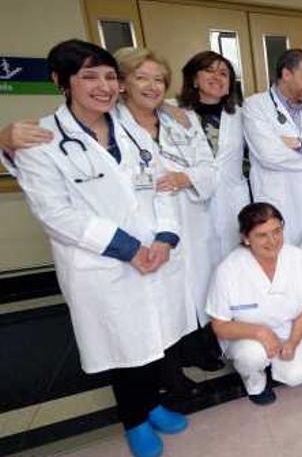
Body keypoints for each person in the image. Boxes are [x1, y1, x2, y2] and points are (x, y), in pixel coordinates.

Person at [12, 39, 188, 457]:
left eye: (110, 76)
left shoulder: (130, 129)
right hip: (102, 263)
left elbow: (161, 185)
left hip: (152, 254)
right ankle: (135, 420)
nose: (103, 86)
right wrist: (129, 248)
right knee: (122, 344)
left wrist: (164, 240)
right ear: (61, 81)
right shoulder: (43, 139)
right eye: (89, 76)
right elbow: (56, 214)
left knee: (152, 337)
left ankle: (152, 403)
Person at [114, 47, 217, 394]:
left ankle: (195, 352)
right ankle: (167, 374)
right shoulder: (109, 124)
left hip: (190, 215)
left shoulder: (180, 120)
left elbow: (208, 168)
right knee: (159, 299)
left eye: (159, 79)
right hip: (145, 226)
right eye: (141, 77)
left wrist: (184, 178)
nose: (152, 86)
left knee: (193, 290)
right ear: (123, 83)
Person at [206, 203, 302, 406]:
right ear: (246, 238)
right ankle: (255, 382)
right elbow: (220, 326)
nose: (273, 241)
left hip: (289, 331)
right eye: (262, 235)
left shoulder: (297, 258)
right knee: (251, 357)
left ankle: (278, 364)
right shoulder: (228, 270)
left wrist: (292, 341)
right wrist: (261, 333)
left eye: (277, 231)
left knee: (297, 377)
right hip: (248, 338)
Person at [242, 48, 302, 244]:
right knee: (284, 260)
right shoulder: (256, 106)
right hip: (281, 199)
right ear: (287, 74)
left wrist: (298, 144)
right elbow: (269, 154)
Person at [177, 50, 251, 261]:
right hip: (193, 197)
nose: (217, 77)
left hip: (232, 198)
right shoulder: (173, 112)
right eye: (209, 71)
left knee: (235, 261)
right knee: (198, 262)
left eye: (223, 73)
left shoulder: (240, 114)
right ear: (194, 78)